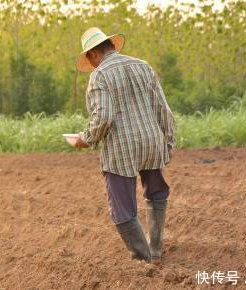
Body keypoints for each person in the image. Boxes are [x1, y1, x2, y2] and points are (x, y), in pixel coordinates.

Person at [73, 27, 176, 265]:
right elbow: (163, 109)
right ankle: (156, 250)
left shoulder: (99, 75)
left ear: (92, 55)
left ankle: (143, 259)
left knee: (122, 208)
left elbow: (104, 117)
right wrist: (167, 142)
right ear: (111, 45)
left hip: (122, 148)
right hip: (152, 141)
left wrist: (86, 138)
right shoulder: (143, 65)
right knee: (157, 193)